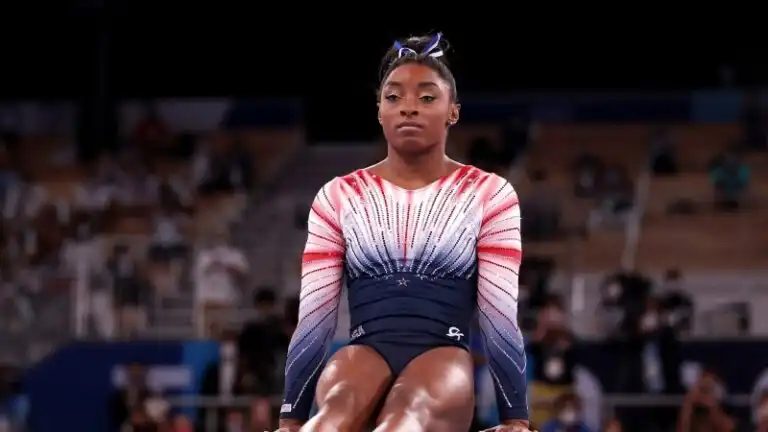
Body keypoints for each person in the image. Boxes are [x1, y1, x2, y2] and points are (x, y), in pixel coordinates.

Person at [278, 33, 530, 432]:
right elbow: (315, 319)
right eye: (393, 97)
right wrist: (291, 419)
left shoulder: (489, 194)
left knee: (404, 420)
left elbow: (499, 315)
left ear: (453, 111)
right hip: (363, 354)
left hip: (443, 355)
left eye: (427, 97)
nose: (408, 107)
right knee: (326, 422)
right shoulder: (338, 196)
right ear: (379, 111)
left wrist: (515, 418)